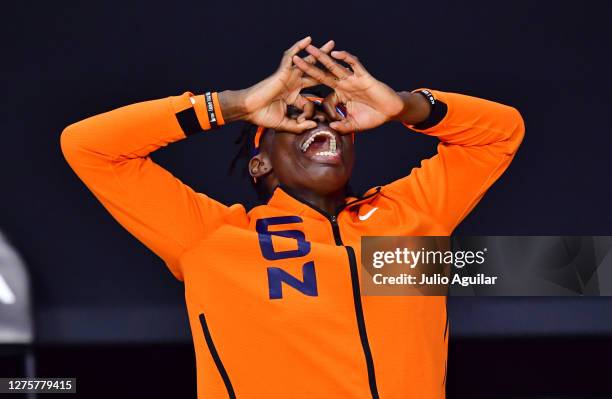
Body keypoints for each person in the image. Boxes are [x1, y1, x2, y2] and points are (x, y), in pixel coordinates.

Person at [60, 36, 524, 398]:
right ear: (259, 162)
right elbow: (89, 147)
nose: (321, 122)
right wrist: (235, 104)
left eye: (334, 115)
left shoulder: (409, 216)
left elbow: (502, 132)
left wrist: (403, 106)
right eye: (294, 117)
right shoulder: (213, 238)